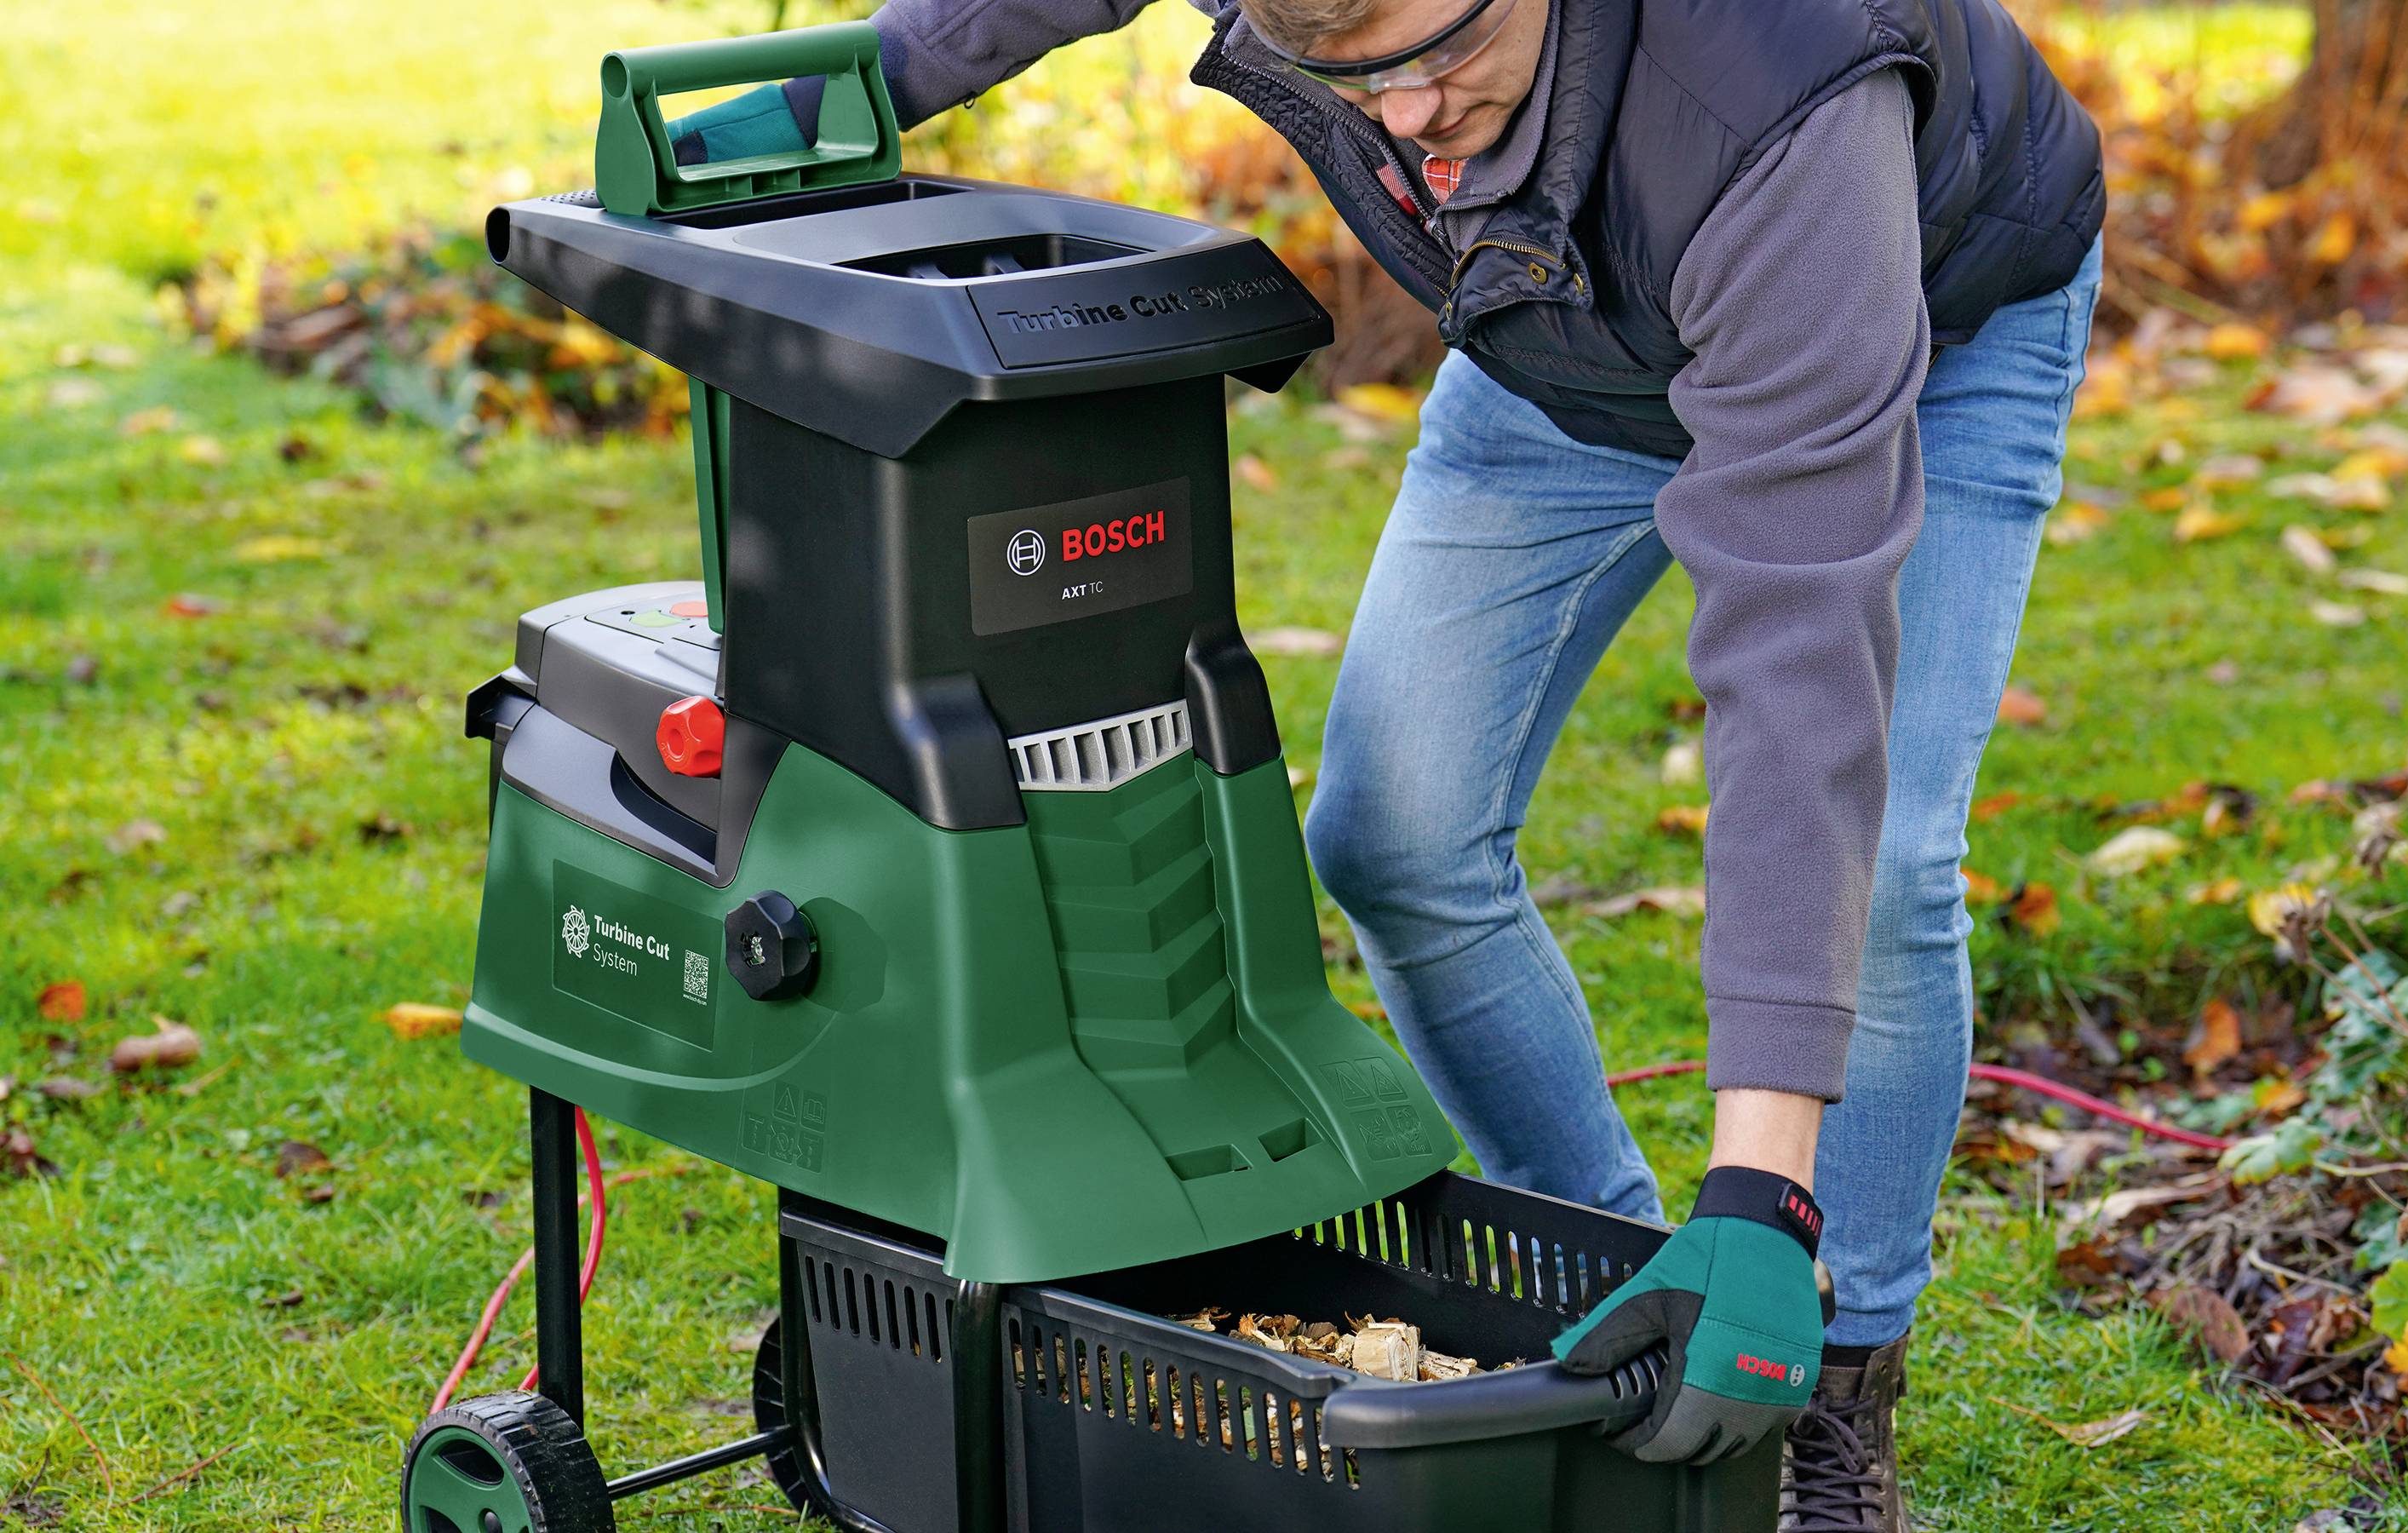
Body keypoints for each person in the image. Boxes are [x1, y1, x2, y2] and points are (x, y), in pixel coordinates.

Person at [677, 1, 2101, 1524]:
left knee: (1876, 868)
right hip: (1565, 339)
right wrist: (867, 81)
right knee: (1395, 833)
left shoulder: (1777, 99)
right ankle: (1622, 1295)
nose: (1409, 117)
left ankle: (1826, 1380)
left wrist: (1762, 1195)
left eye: (1440, 59)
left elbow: (1797, 657)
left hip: (1935, 315)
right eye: (1352, 77)